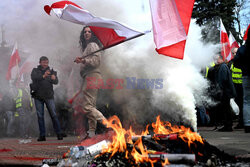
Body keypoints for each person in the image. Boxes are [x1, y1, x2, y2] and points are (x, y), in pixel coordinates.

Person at [74, 26, 106, 138]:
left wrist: (83, 60)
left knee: (87, 107)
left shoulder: (92, 45)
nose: (86, 33)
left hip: (92, 76)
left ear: (93, 34)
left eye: (89, 32)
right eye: (85, 32)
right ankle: (91, 133)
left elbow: (96, 61)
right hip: (91, 77)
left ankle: (108, 124)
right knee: (91, 106)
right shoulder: (89, 47)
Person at [31, 56, 63, 141]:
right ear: (40, 62)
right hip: (38, 96)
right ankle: (42, 135)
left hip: (49, 96)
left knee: (54, 115)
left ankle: (59, 133)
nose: (45, 64)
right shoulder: (35, 70)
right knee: (40, 116)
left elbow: (56, 82)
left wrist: (54, 78)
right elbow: (34, 78)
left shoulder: (52, 71)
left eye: (46, 62)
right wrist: (43, 76)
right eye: (44, 62)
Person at [208, 54, 236, 131]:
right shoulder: (219, 67)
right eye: (214, 59)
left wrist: (220, 91)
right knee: (225, 109)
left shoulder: (223, 67)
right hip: (224, 91)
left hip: (225, 92)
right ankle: (227, 125)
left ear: (221, 59)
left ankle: (228, 126)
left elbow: (222, 80)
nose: (215, 61)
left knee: (226, 109)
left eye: (217, 59)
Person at [231, 31, 250, 133]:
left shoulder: (243, 48)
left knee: (247, 101)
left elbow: (236, 61)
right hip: (244, 77)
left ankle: (247, 125)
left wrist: (243, 67)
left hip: (246, 76)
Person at [229, 47, 244, 129]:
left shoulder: (242, 62)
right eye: (233, 53)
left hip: (243, 86)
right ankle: (241, 122)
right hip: (236, 87)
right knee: (239, 105)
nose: (234, 54)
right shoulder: (232, 64)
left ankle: (242, 123)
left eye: (236, 53)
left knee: (242, 105)